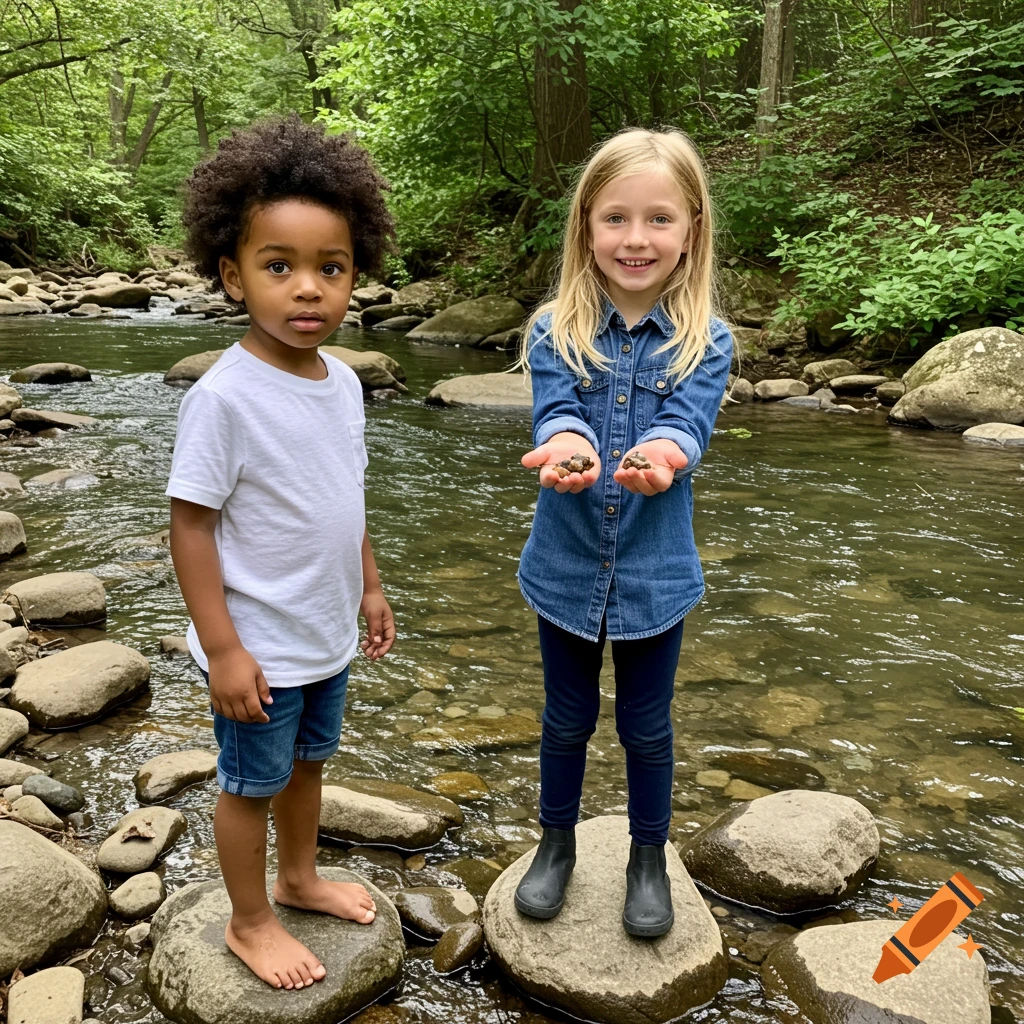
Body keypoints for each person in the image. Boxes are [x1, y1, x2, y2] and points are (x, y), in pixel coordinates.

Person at [167, 115, 397, 991]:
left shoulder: (342, 381)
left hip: (324, 631)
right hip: (259, 646)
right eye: (279, 267)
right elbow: (191, 526)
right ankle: (249, 917)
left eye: (329, 268)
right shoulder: (225, 398)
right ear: (233, 276)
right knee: (250, 786)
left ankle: (298, 879)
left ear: (354, 273)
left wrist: (369, 587)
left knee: (310, 765)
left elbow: (346, 495)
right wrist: (223, 648)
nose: (308, 290)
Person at [515, 128, 732, 938]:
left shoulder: (706, 339)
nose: (636, 239)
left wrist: (662, 458)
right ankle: (555, 843)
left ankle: (649, 856)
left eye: (658, 220)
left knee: (648, 725)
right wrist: (569, 443)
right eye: (615, 219)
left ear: (692, 230)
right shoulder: (553, 330)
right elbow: (557, 411)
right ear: (586, 228)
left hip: (656, 570)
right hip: (564, 565)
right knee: (564, 718)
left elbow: (688, 423)